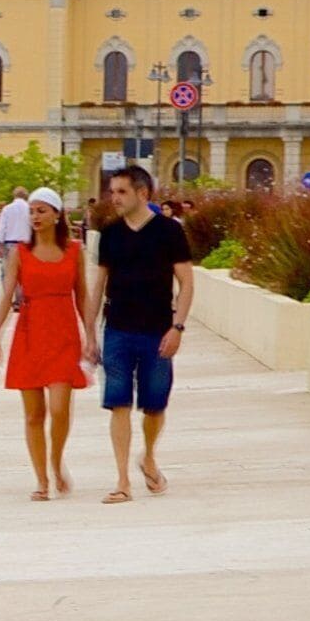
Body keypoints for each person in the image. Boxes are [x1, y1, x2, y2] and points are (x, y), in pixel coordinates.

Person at [91, 162, 196, 501]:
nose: (115, 198)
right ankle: (122, 481)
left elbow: (186, 282)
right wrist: (90, 334)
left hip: (157, 331)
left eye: (122, 192)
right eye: (112, 192)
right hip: (117, 329)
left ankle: (148, 455)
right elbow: (98, 285)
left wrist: (177, 327)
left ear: (143, 193)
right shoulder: (110, 234)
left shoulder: (169, 231)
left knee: (154, 406)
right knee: (118, 402)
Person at [0, 194, 93, 499]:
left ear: (56, 215)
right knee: (34, 414)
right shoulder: (20, 252)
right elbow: (7, 296)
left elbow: (83, 295)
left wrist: (90, 334)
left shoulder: (74, 251)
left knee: (59, 409)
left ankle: (57, 462)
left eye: (41, 211)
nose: (34, 217)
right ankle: (42, 480)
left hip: (63, 332)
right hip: (30, 334)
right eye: (32, 211)